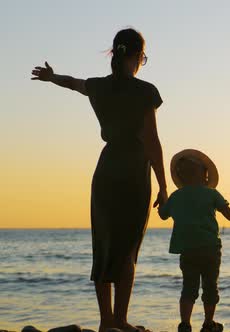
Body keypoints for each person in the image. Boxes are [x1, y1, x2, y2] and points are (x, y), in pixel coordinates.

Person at [31, 28, 167, 332]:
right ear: (136, 56)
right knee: (128, 248)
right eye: (143, 57)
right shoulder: (145, 91)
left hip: (105, 172)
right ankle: (120, 319)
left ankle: (106, 321)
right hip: (133, 172)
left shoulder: (99, 87)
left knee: (104, 245)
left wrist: (50, 78)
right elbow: (152, 142)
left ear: (113, 54)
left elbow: (73, 83)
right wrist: (163, 185)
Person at [158, 149, 230, 332]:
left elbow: (162, 215)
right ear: (205, 174)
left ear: (180, 176)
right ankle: (209, 323)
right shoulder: (211, 194)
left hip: (187, 250)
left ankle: (185, 324)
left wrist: (162, 199)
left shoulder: (176, 197)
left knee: (189, 288)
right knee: (210, 286)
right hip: (210, 248)